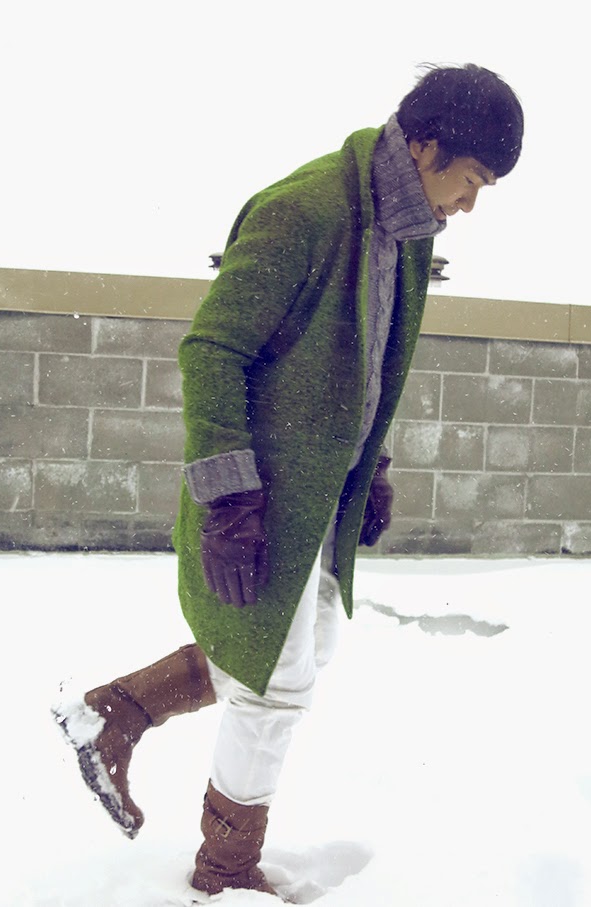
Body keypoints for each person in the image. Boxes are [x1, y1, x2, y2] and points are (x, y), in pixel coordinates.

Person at [54, 63, 524, 899]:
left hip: (319, 501)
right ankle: (224, 869)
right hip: (264, 500)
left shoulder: (403, 234)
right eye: (471, 179)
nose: (470, 202)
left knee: (301, 647)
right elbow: (211, 350)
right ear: (424, 148)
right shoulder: (304, 211)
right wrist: (230, 499)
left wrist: (370, 466)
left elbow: (369, 361)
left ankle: (114, 712)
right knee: (277, 684)